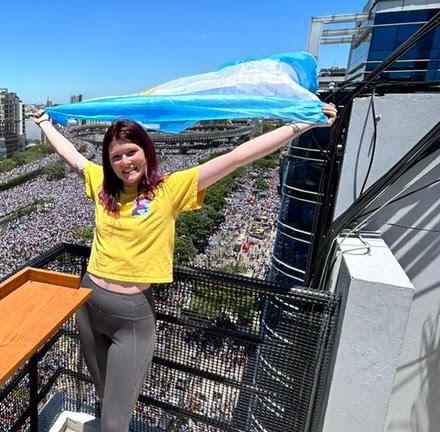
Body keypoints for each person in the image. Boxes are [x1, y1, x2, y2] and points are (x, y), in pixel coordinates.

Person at [33, 105, 337, 431]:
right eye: (116, 156)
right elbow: (71, 155)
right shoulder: (101, 184)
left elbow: (237, 157)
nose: (124, 162)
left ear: (146, 152)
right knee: (104, 392)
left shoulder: (169, 189)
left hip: (132, 318)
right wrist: (45, 123)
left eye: (131, 152)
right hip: (88, 301)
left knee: (114, 422)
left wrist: (302, 125)